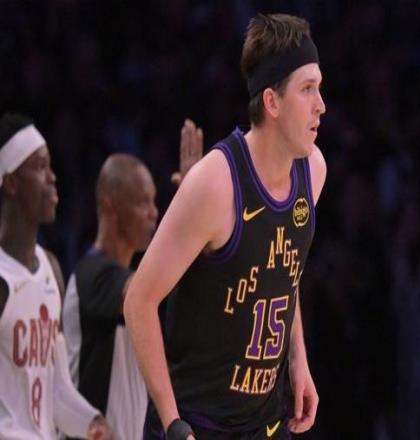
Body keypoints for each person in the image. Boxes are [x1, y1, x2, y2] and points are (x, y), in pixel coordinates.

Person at [125, 13, 327, 440]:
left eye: (319, 88)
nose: (321, 105)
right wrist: (172, 423)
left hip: (264, 422)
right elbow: (139, 300)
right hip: (197, 424)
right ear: (272, 102)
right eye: (308, 89)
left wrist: (299, 358)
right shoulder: (216, 184)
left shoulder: (313, 170)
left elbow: (285, 274)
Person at [62, 120, 203, 440]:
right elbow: (145, 293)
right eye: (143, 202)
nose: (154, 212)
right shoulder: (92, 275)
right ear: (110, 206)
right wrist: (190, 212)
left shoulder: (125, 278)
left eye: (154, 201)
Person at [0, 113, 112, 439]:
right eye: (40, 167)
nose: (52, 177)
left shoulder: (51, 268)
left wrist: (94, 424)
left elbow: (58, 389)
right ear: (11, 182)